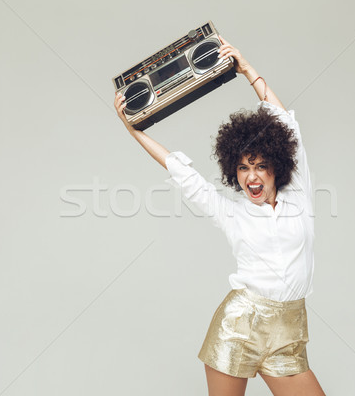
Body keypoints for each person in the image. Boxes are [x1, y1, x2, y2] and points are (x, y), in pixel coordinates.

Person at [114, 36, 325, 396]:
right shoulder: (232, 212)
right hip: (240, 326)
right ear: (233, 171)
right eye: (243, 168)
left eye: (260, 165)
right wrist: (132, 129)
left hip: (289, 330)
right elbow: (181, 172)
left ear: (278, 164)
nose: (252, 176)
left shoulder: (299, 195)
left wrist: (246, 69)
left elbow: (288, 126)